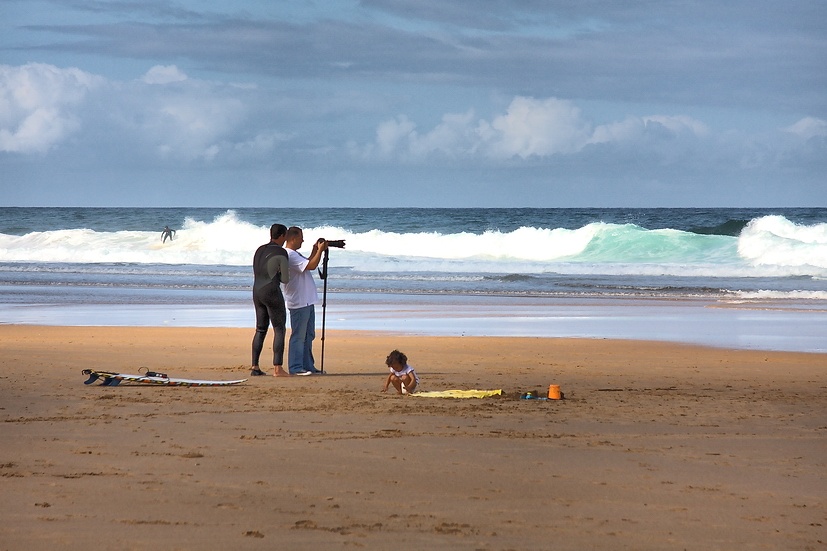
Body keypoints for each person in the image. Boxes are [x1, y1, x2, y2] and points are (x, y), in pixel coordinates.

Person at [282, 226, 327, 375]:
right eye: (301, 238)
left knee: (308, 336)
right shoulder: (290, 254)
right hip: (299, 302)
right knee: (299, 336)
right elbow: (312, 266)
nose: (302, 240)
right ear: (293, 238)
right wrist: (320, 251)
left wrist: (315, 250)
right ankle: (295, 367)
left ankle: (308, 366)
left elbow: (307, 263)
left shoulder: (294, 254)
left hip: (306, 300)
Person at [250, 224, 291, 377]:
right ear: (282, 236)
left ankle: (255, 366)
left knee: (260, 329)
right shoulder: (281, 252)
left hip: (257, 291)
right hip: (271, 291)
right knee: (279, 329)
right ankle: (278, 368)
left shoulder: (259, 250)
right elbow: (285, 279)